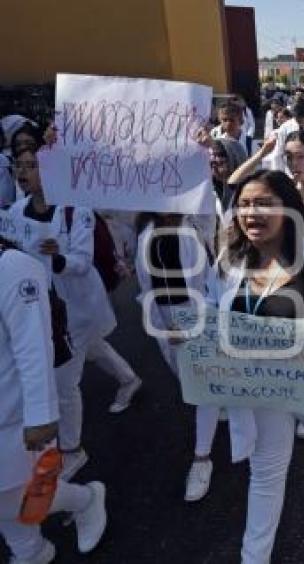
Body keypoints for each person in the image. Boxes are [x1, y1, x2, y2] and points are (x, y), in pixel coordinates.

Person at [207, 170, 304, 562]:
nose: (251, 213)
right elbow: (213, 310)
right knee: (265, 472)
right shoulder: (230, 263)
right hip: (261, 385)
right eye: (243, 205)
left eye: (262, 203)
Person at [10, 148, 125, 479]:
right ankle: (129, 380)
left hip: (76, 306)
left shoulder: (78, 212)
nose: (24, 171)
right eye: (20, 165)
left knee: (64, 381)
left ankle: (73, 450)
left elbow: (82, 261)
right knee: (90, 348)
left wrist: (57, 259)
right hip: (42, 304)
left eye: (33, 166)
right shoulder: (16, 212)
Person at [0, 239, 108, 562]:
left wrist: (41, 414)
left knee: (19, 494)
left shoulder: (11, 267)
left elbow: (33, 345)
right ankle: (30, 551)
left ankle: (85, 499)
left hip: (13, 415)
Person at [134, 212, 222, 502]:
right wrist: (161, 326)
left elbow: (205, 282)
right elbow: (145, 284)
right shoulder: (146, 231)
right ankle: (219, 403)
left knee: (200, 383)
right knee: (183, 376)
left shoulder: (194, 226)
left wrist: (195, 324)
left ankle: (202, 458)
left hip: (195, 312)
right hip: (164, 317)